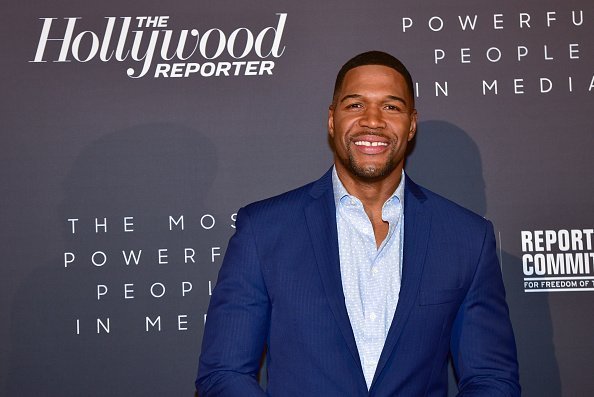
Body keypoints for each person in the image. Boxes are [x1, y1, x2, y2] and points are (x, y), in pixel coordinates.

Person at [196, 51, 520, 396]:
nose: (373, 121)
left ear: (411, 124)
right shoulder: (263, 230)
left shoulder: (467, 238)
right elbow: (223, 373)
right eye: (355, 105)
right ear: (332, 120)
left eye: (391, 107)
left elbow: (491, 378)